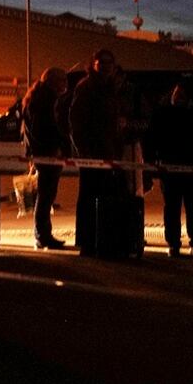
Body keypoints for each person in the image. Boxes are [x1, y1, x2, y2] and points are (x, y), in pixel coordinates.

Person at [146, 81, 193, 258]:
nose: (178, 98)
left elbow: (153, 139)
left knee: (181, 207)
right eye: (177, 94)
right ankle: (187, 243)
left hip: (178, 166)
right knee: (186, 206)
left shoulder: (164, 113)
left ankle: (182, 243)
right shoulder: (189, 114)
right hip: (186, 166)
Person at [69, 49, 124, 257]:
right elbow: (76, 122)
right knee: (89, 198)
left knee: (107, 196)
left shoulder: (111, 88)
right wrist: (84, 151)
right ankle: (87, 242)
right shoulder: (86, 87)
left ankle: (104, 239)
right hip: (92, 153)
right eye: (102, 63)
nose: (107, 67)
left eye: (110, 63)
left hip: (109, 152)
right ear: (93, 64)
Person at [21, 67, 70, 250]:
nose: (65, 84)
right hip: (48, 153)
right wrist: (56, 146)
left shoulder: (38, 97)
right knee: (46, 194)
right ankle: (43, 234)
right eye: (62, 80)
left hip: (43, 152)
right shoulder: (45, 101)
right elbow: (44, 128)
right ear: (51, 81)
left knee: (45, 195)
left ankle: (42, 233)